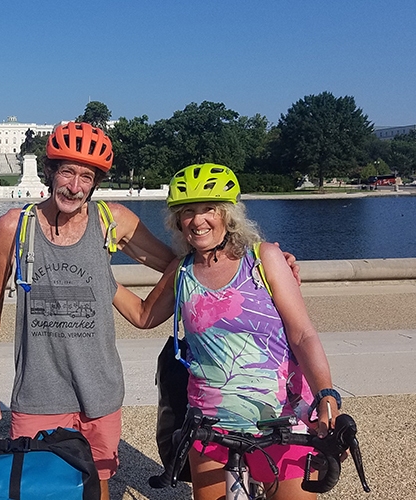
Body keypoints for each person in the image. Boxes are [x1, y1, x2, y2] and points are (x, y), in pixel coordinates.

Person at [0, 122, 176, 499]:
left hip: (99, 391)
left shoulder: (110, 221)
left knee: (97, 486)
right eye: (67, 171)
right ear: (50, 171)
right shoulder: (14, 227)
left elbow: (178, 264)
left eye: (87, 176)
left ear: (96, 182)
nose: (75, 185)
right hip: (38, 392)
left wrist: (259, 259)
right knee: (37, 487)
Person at [112, 163, 337, 500]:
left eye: (209, 210)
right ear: (178, 220)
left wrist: (326, 396)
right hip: (210, 424)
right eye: (188, 211)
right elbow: (144, 315)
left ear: (228, 215)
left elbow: (302, 334)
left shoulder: (265, 259)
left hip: (283, 419)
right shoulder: (182, 270)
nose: (198, 220)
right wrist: (98, 277)